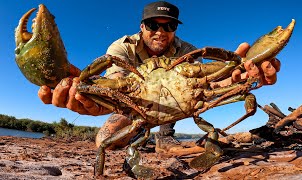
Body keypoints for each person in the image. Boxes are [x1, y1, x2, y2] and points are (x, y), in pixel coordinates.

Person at [38, 1, 280, 152]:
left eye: (169, 26)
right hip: (134, 108)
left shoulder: (188, 52)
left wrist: (240, 76)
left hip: (181, 106)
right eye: (154, 25)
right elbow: (113, 88)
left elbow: (212, 83)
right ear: (142, 26)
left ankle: (166, 138)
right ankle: (144, 139)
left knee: (189, 91)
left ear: (175, 28)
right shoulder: (121, 49)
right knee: (105, 141)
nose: (161, 32)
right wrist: (85, 92)